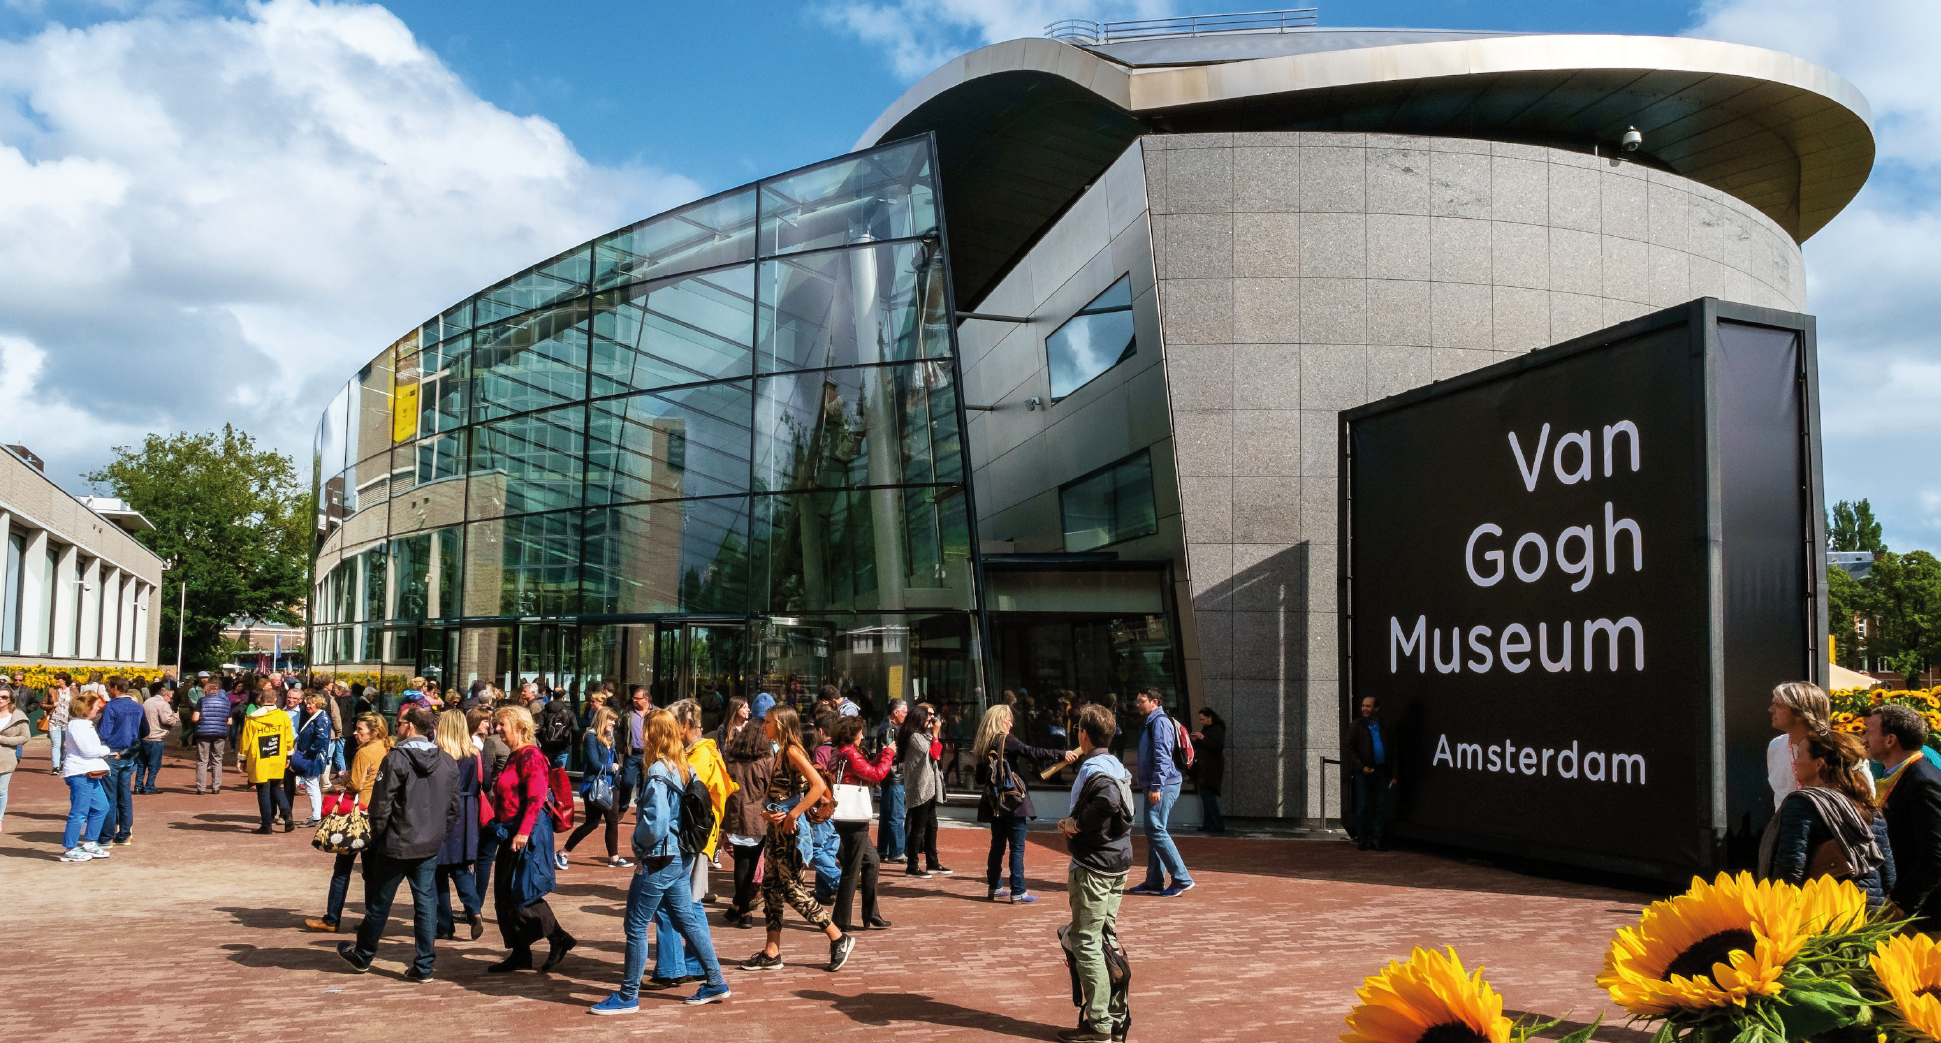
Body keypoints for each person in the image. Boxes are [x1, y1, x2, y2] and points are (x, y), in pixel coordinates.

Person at [590, 709, 732, 1013]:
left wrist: (637, 845)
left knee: (636, 925)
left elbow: (655, 824)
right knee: (686, 920)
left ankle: (628, 996)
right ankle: (716, 980)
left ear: (653, 735)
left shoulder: (657, 771)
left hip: (659, 858)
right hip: (681, 855)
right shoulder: (684, 767)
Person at [336, 704, 462, 983]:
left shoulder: (396, 760)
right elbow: (454, 808)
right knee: (425, 903)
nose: (397, 726)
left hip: (396, 842)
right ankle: (424, 965)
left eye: (400, 722)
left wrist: (375, 838)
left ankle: (364, 954)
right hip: (427, 843)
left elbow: (381, 807)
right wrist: (439, 834)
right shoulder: (446, 760)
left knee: (380, 903)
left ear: (409, 726)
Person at [739, 706, 856, 973]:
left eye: (768, 722)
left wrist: (793, 814)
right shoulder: (780, 751)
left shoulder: (792, 751)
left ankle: (839, 937)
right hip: (776, 832)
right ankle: (772, 951)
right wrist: (768, 815)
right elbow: (774, 795)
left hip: (790, 835)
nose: (764, 726)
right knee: (770, 889)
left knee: (793, 890)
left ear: (780, 724)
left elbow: (817, 786)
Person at [1056, 703, 1136, 1043]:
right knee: (1105, 938)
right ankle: (1115, 1018)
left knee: (1086, 942)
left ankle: (1099, 1024)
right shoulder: (1115, 764)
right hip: (1117, 862)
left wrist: (1076, 823)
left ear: (1083, 735)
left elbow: (1106, 801)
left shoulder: (1097, 770)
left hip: (1094, 866)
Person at [646, 698, 733, 988]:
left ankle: (674, 967)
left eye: (670, 724)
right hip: (694, 839)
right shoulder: (699, 752)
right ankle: (692, 964)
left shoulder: (698, 756)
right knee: (687, 903)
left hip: (688, 840)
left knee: (678, 904)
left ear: (683, 726)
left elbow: (682, 801)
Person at [487, 704, 576, 973]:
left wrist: (524, 832)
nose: (497, 729)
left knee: (523, 892)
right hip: (510, 830)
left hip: (529, 832)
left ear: (520, 727)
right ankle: (520, 953)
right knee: (505, 893)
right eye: (497, 724)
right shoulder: (514, 755)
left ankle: (559, 938)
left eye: (502, 724)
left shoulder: (531, 756)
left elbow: (537, 798)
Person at [1771, 729, 1893, 908]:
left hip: (1823, 915)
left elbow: (1790, 866)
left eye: (1799, 755)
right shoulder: (1871, 808)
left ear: (1818, 764)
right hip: (1868, 915)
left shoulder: (1803, 804)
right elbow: (1889, 876)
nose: (1795, 762)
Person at [973, 704, 1076, 903]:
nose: (1011, 724)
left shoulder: (984, 742)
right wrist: (1060, 754)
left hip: (994, 802)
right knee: (1017, 847)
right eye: (1008, 720)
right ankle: (1018, 890)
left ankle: (994, 886)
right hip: (1013, 800)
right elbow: (1032, 752)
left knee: (997, 846)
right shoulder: (1006, 739)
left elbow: (979, 777)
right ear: (1000, 720)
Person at [307, 714, 391, 932]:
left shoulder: (365, 752)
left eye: (360, 729)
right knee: (371, 871)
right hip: (377, 813)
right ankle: (371, 920)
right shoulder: (386, 747)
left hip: (357, 814)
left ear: (373, 731)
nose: (355, 733)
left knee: (342, 868)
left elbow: (355, 783)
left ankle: (331, 918)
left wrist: (343, 779)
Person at [1867, 703, 1941, 931]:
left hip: (1923, 917)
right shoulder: (1902, 774)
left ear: (1890, 740)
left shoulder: (1923, 781)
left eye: (1869, 732)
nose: (1863, 738)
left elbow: (1935, 856)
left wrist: (1899, 904)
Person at [827, 715, 896, 930]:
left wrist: (882, 756)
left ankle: (871, 913)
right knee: (852, 868)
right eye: (859, 733)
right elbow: (876, 774)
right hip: (853, 818)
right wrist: (888, 754)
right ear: (851, 735)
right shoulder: (849, 753)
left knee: (872, 861)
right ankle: (842, 919)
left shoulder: (841, 753)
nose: (862, 736)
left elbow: (865, 769)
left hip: (847, 816)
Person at [1127, 688, 1191, 896]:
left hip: (1164, 785)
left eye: (1141, 700)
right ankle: (1154, 881)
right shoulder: (1151, 723)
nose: (1137, 704)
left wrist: (1156, 786)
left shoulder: (1159, 722)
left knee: (1155, 829)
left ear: (1154, 701)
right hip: (1158, 784)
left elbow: (1163, 757)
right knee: (1155, 831)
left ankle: (1181, 878)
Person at [433, 709, 484, 941]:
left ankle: (444, 924)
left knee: (438, 870)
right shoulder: (474, 754)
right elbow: (487, 781)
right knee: (461, 866)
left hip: (443, 810)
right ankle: (474, 909)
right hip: (467, 811)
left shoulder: (439, 754)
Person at [719, 714, 774, 930]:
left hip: (735, 815)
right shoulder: (765, 761)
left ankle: (737, 907)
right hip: (758, 817)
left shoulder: (731, 760)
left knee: (742, 865)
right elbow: (771, 789)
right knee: (751, 865)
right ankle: (745, 910)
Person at [564, 706, 629, 868]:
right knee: (592, 822)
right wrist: (611, 768)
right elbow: (593, 763)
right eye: (610, 719)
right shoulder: (591, 737)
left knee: (613, 820)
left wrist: (616, 770)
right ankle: (563, 852)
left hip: (611, 785)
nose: (613, 723)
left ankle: (613, 858)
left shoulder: (610, 738)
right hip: (595, 785)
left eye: (614, 720)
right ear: (602, 719)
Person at [60, 691, 114, 862]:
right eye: (96, 705)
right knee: (79, 812)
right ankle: (70, 848)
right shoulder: (77, 725)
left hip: (89, 772)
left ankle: (90, 843)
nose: (98, 708)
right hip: (79, 773)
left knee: (102, 807)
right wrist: (107, 751)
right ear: (87, 707)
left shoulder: (84, 724)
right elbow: (88, 751)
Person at [899, 701, 950, 878]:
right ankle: (912, 866)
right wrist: (935, 733)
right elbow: (934, 753)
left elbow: (937, 749)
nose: (930, 720)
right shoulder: (914, 737)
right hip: (920, 787)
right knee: (918, 828)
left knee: (932, 825)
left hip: (930, 786)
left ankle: (932, 862)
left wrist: (934, 733)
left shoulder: (922, 735)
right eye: (927, 716)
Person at [240, 690, 296, 834]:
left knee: (263, 791)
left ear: (260, 699)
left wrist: (242, 759)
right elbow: (289, 737)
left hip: (260, 758)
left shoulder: (253, 718)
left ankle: (266, 825)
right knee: (276, 787)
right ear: (276, 699)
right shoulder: (283, 716)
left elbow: (246, 740)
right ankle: (287, 814)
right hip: (277, 756)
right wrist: (288, 756)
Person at [1345, 695, 1395, 851]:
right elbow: (1349, 747)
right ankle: (1362, 839)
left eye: (1368, 706)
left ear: (1376, 708)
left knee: (1380, 807)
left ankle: (1376, 839)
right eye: (1363, 706)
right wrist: (1360, 767)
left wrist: (1393, 773)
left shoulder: (1385, 725)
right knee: (1362, 807)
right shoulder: (1356, 725)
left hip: (1381, 771)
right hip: (1364, 772)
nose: (1364, 709)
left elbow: (1393, 749)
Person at [97, 676, 143, 846]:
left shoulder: (111, 707)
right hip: (128, 755)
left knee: (109, 797)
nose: (107, 690)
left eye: (109, 687)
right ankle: (125, 834)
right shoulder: (137, 707)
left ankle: (107, 837)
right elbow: (144, 730)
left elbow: (104, 733)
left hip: (112, 754)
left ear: (116, 688)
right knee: (125, 795)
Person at [876, 699, 908, 863]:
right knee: (896, 815)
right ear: (895, 713)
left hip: (889, 776)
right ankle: (896, 851)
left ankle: (884, 849)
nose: (906, 715)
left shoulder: (887, 727)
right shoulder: (890, 729)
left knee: (887, 814)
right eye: (904, 712)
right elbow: (889, 753)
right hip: (894, 776)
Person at [294, 693, 333, 826]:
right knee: (312, 785)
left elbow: (321, 739)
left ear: (318, 704)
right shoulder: (318, 717)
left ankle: (316, 816)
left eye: (311, 703)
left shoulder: (321, 718)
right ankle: (316, 815)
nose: (308, 706)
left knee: (312, 786)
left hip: (314, 757)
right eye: (307, 703)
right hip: (314, 755)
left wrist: (308, 751)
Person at [614, 685, 652, 824]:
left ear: (646, 699)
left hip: (649, 755)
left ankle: (641, 813)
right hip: (632, 753)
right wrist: (621, 746)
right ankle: (622, 808)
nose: (634, 700)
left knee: (645, 784)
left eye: (638, 698)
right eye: (634, 698)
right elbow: (617, 730)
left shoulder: (656, 713)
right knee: (627, 782)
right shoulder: (627, 713)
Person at [137, 682, 179, 794]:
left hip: (144, 737)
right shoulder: (162, 704)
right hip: (155, 738)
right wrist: (175, 718)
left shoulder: (147, 701)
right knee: (154, 764)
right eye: (170, 697)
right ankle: (149, 786)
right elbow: (166, 720)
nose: (170, 699)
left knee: (142, 764)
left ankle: (138, 786)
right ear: (164, 695)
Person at [1191, 707, 1227, 833]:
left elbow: (1218, 746)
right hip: (1206, 768)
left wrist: (1202, 738)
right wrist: (1196, 741)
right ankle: (1208, 823)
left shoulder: (1216, 729)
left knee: (1208, 796)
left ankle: (1216, 823)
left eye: (1203, 719)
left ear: (1210, 717)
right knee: (1206, 796)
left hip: (1211, 769)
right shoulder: (1209, 729)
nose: (1201, 722)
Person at [192, 679, 232, 794]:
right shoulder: (226, 702)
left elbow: (195, 718)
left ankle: (201, 788)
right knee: (217, 759)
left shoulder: (201, 701)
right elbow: (230, 722)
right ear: (218, 691)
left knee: (202, 760)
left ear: (206, 691)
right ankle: (216, 787)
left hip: (203, 732)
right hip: (220, 733)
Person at [0, 688, 28, 832]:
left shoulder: (17, 716)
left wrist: (3, 739)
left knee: (1, 790)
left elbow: (25, 737)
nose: (1, 699)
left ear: (10, 699)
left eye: (4, 697)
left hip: (6, 758)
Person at [536, 687, 580, 769]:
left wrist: (544, 740)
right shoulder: (569, 713)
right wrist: (568, 741)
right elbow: (575, 729)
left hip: (547, 748)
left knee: (546, 773)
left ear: (553, 696)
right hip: (563, 748)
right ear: (563, 697)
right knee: (559, 775)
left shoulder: (544, 712)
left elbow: (537, 729)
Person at [44, 674, 73, 776]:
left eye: (58, 679)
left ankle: (62, 763)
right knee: (56, 744)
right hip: (54, 721)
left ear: (64, 680)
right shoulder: (51, 690)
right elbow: (42, 704)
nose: (56, 681)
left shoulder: (73, 691)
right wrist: (52, 705)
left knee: (65, 745)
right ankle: (55, 766)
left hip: (68, 721)